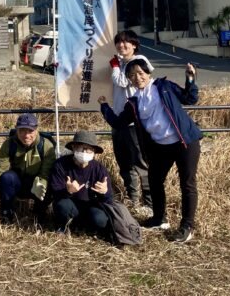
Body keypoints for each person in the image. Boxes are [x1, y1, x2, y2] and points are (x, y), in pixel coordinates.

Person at [98, 59, 201, 243]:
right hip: (161, 146)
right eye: (132, 75)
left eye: (140, 73)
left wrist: (190, 79)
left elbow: (190, 98)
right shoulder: (134, 102)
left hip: (184, 141)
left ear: (148, 73)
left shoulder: (164, 86)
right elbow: (118, 123)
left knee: (187, 183)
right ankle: (159, 219)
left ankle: (187, 226)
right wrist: (104, 106)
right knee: (154, 179)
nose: (137, 78)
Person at [109, 30, 153, 216]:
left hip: (135, 122)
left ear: (134, 45)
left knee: (141, 163)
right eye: (119, 42)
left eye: (126, 42)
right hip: (119, 120)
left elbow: (121, 81)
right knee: (125, 163)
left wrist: (114, 66)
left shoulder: (139, 60)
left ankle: (150, 203)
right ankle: (133, 201)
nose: (122, 45)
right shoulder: (120, 62)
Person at [49, 131, 113, 237]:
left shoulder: (99, 169)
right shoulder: (60, 165)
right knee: (63, 206)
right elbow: (54, 193)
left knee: (100, 220)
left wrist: (104, 192)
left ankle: (85, 227)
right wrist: (68, 191)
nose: (84, 152)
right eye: (81, 148)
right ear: (73, 147)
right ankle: (64, 226)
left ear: (94, 152)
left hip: (90, 206)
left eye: (89, 149)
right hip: (70, 205)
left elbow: (109, 200)